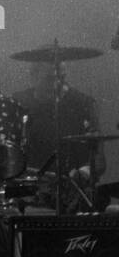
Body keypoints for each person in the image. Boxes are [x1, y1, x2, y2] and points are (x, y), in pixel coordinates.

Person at [13, 60, 105, 206]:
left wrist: (85, 172)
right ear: (33, 76)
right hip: (29, 190)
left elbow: (99, 159)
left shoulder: (83, 103)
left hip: (74, 192)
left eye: (61, 78)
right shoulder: (18, 103)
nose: (57, 84)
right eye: (49, 79)